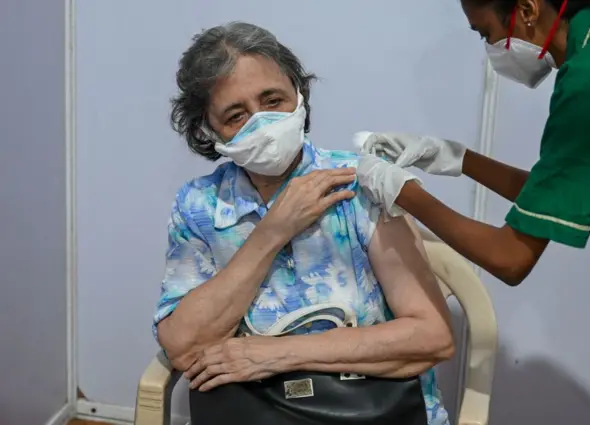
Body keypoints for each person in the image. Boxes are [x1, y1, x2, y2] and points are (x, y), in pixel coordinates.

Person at [153, 22, 454, 424]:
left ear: (298, 92)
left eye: (272, 99)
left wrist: (273, 354)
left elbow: (431, 336)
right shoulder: (200, 206)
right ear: (209, 130)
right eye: (235, 115)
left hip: (374, 409)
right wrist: (273, 231)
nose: (259, 122)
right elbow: (183, 346)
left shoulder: (361, 182)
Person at [355, 0, 590, 321]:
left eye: (485, 33)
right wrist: (455, 158)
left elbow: (510, 258)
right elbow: (558, 193)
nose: (490, 49)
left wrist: (400, 190)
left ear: (528, 10)